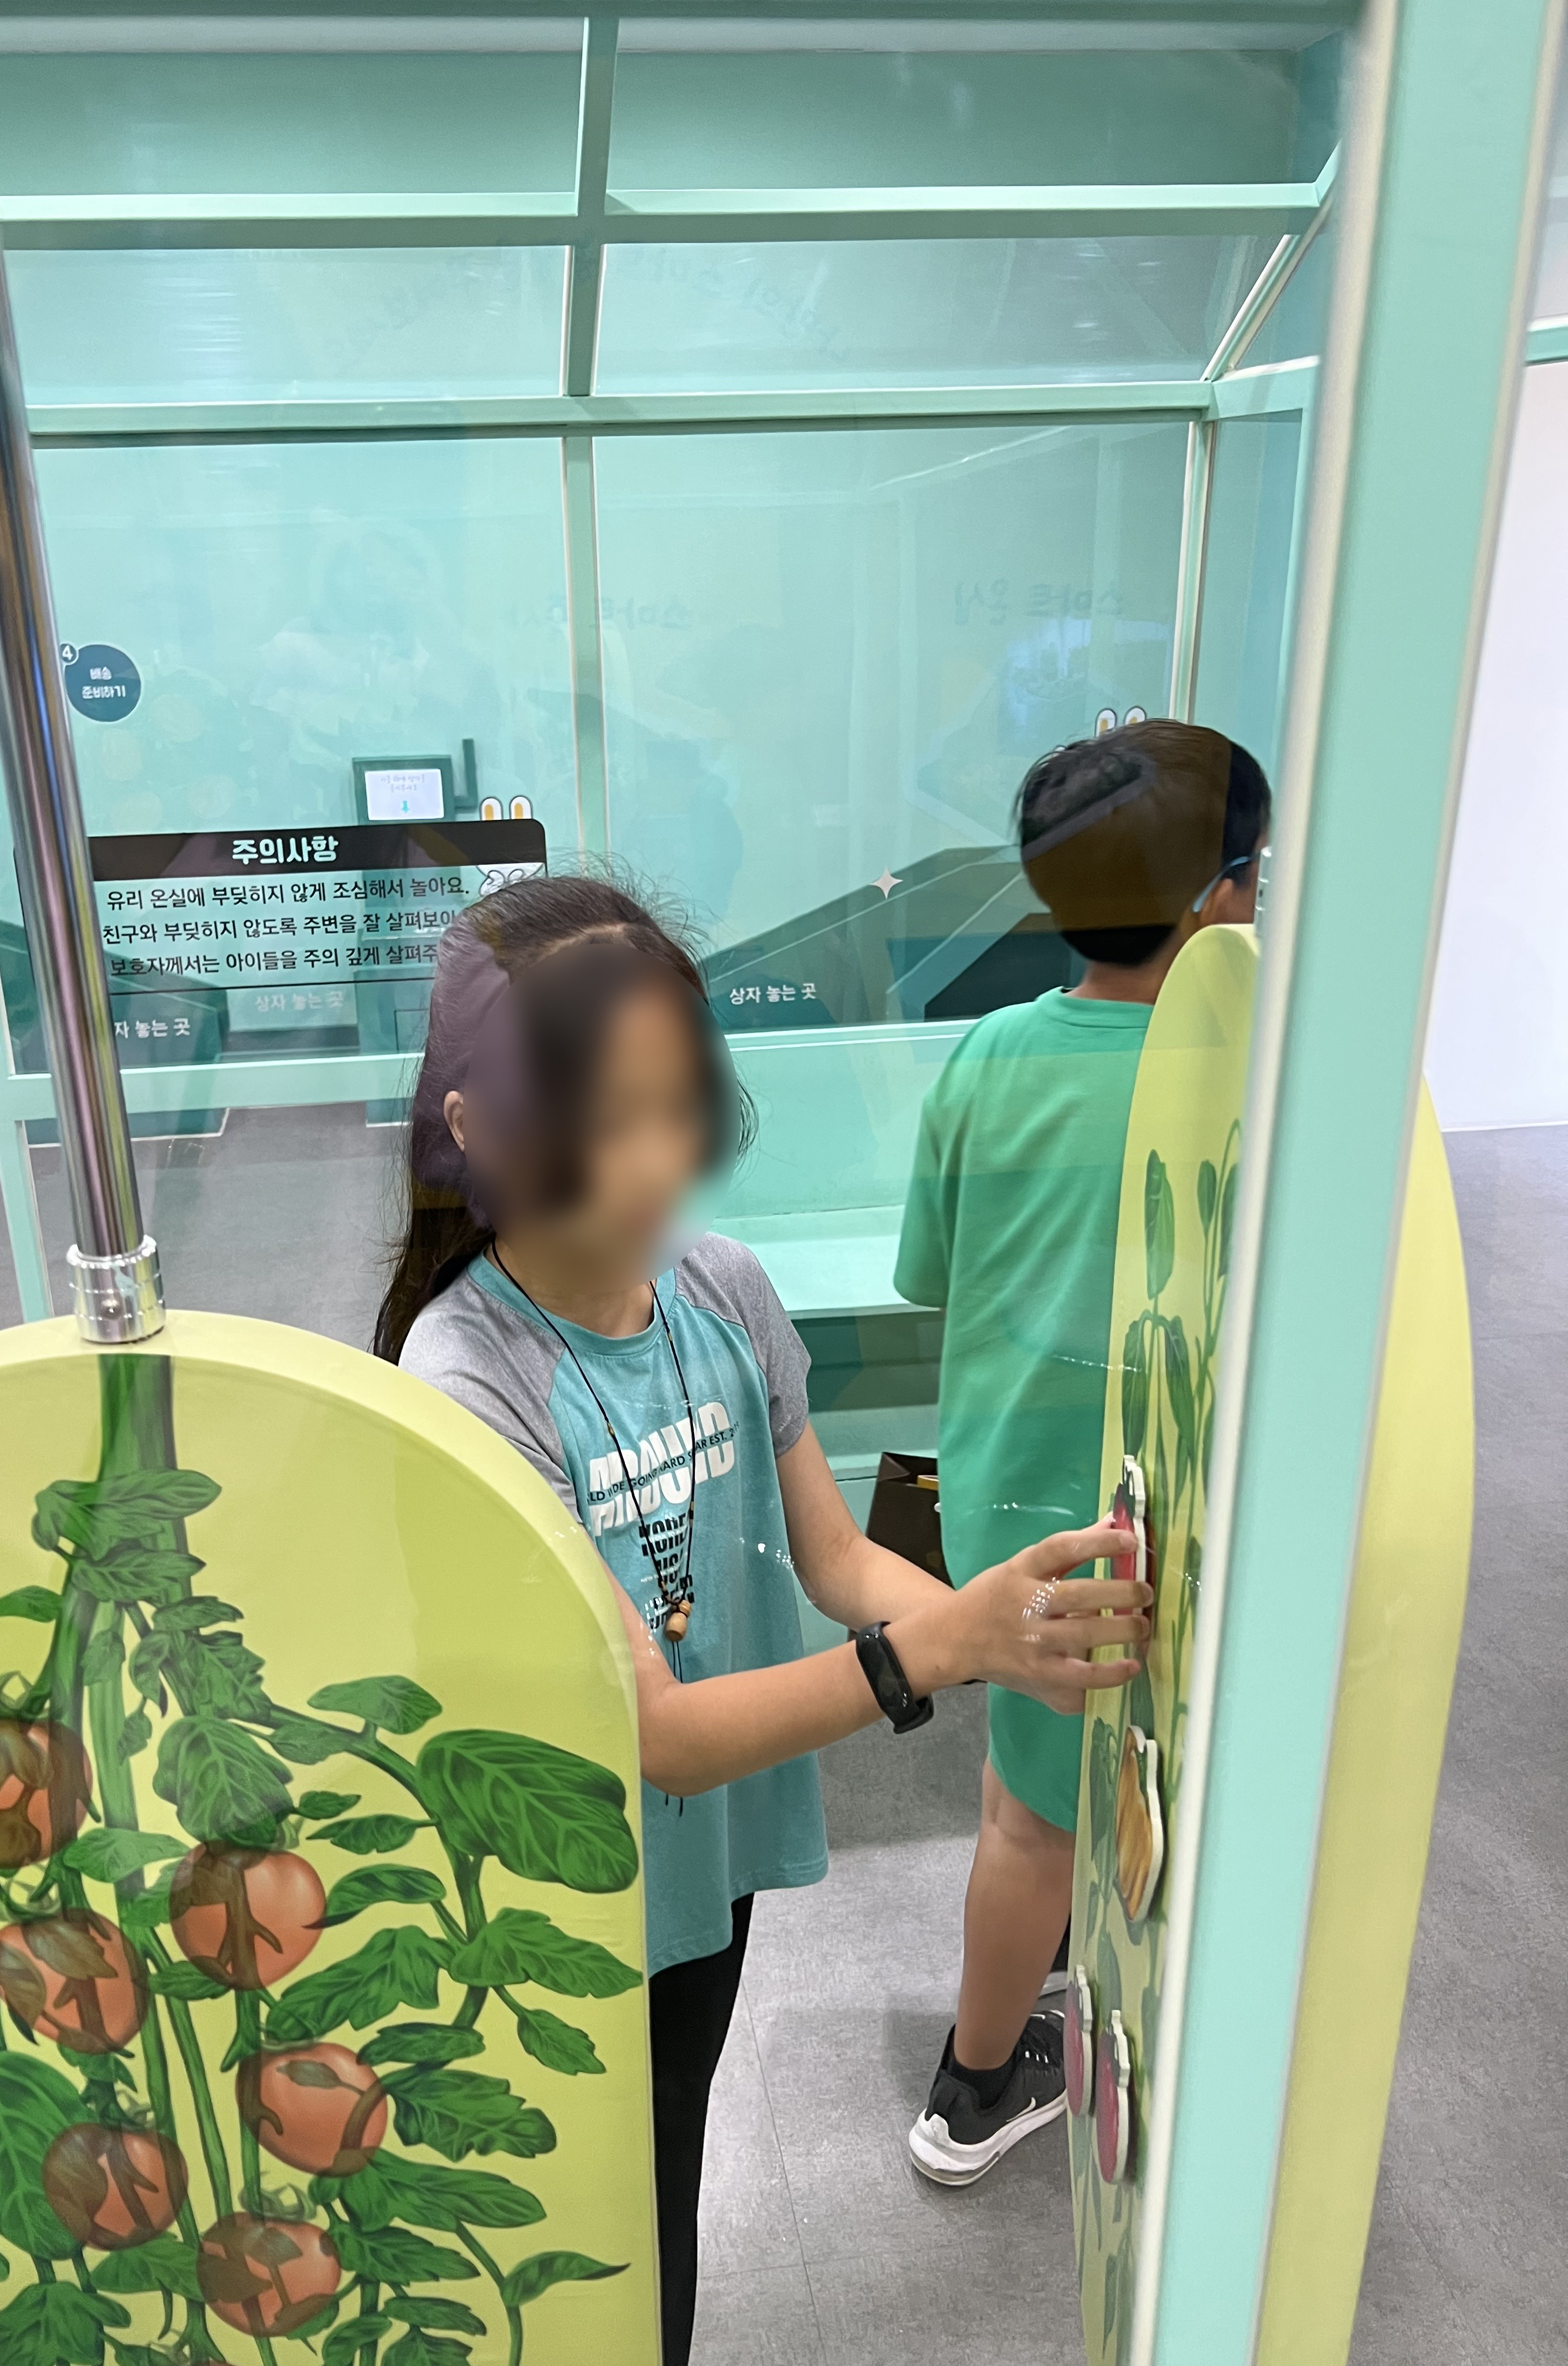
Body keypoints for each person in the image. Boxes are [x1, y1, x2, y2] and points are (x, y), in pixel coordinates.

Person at [374, 874, 1152, 2366]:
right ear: (474, 1127)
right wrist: (950, 1645)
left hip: (705, 1867)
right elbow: (656, 1734)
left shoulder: (722, 1290)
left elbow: (838, 1556)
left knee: (667, 2150)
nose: (652, 1166)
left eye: (675, 1110)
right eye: (597, 1123)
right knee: (596, 2215)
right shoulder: (468, 1379)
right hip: (559, 1891)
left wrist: (1005, 1631)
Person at [898, 720, 1271, 2188]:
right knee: (1035, 1823)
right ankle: (976, 2087)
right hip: (1147, 1516)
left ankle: (1061, 1982)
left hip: (1010, 1497)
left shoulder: (989, 1056)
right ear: (1220, 899)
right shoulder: (1243, 1076)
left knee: (1036, 1786)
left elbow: (930, 1274)